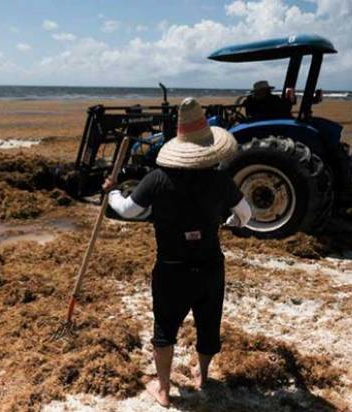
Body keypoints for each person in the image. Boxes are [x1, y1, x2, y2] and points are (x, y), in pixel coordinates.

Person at [103, 97, 251, 407]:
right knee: (208, 323)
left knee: (165, 328)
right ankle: (203, 375)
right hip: (210, 266)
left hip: (172, 268)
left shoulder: (158, 179)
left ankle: (164, 390)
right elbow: (247, 215)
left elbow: (129, 210)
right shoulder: (221, 180)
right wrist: (230, 220)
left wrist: (113, 192)